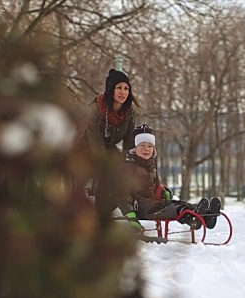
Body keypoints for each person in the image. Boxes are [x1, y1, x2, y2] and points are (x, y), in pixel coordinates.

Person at [117, 124, 221, 234]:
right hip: (139, 206)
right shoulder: (127, 167)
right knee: (170, 207)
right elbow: (122, 196)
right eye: (142, 145)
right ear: (135, 148)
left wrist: (162, 191)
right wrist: (132, 219)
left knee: (176, 203)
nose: (146, 149)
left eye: (150, 146)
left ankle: (205, 216)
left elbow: (155, 186)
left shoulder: (150, 166)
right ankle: (191, 218)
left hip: (153, 203)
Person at [81, 69, 138, 217]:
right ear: (110, 89)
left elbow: (129, 143)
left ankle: (124, 205)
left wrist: (129, 162)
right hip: (86, 148)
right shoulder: (95, 110)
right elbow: (96, 145)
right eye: (119, 87)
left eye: (126, 88)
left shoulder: (129, 113)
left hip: (108, 148)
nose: (123, 92)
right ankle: (98, 210)